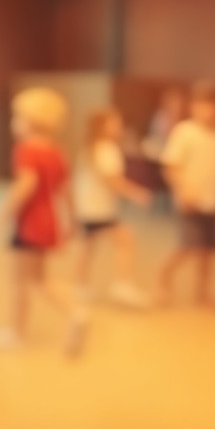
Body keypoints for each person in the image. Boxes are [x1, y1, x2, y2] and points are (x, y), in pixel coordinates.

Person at [0, 87, 89, 355]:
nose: (13, 123)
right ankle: (76, 310)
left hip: (29, 224)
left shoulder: (26, 150)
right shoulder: (56, 151)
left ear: (31, 121)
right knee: (40, 279)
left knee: (20, 281)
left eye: (17, 117)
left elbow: (25, 186)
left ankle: (16, 332)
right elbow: (66, 190)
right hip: (48, 223)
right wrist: (73, 220)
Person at [156, 80, 215, 310]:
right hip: (191, 203)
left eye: (214, 106)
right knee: (189, 246)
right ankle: (163, 277)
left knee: (210, 250)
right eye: (204, 105)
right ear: (194, 107)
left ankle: (204, 293)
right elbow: (171, 167)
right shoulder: (185, 132)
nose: (209, 111)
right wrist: (184, 190)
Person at [74, 108, 153, 308]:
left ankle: (81, 285)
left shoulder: (91, 149)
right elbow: (113, 181)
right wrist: (137, 193)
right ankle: (122, 285)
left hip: (87, 207)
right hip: (99, 209)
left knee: (87, 247)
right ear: (102, 127)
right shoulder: (106, 149)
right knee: (125, 240)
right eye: (114, 123)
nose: (119, 127)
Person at [142, 86, 187, 159]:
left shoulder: (184, 123)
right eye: (173, 102)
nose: (176, 106)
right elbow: (157, 137)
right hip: (158, 154)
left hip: (175, 156)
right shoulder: (159, 118)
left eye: (178, 103)